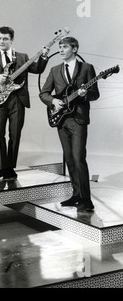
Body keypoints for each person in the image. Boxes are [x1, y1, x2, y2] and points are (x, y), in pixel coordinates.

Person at [0, 26, 49, 180]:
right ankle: (2, 168)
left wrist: (44, 56)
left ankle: (10, 168)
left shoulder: (23, 57)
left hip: (17, 99)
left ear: (11, 40)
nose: (1, 41)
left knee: (15, 135)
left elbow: (37, 69)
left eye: (5, 39)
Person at [39, 36, 99, 212]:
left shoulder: (87, 68)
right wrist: (53, 102)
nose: (61, 50)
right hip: (61, 119)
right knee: (69, 158)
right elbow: (44, 93)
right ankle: (76, 195)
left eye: (64, 47)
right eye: (59, 47)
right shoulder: (54, 69)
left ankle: (86, 199)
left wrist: (84, 94)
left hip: (79, 118)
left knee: (79, 157)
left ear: (75, 49)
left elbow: (95, 94)